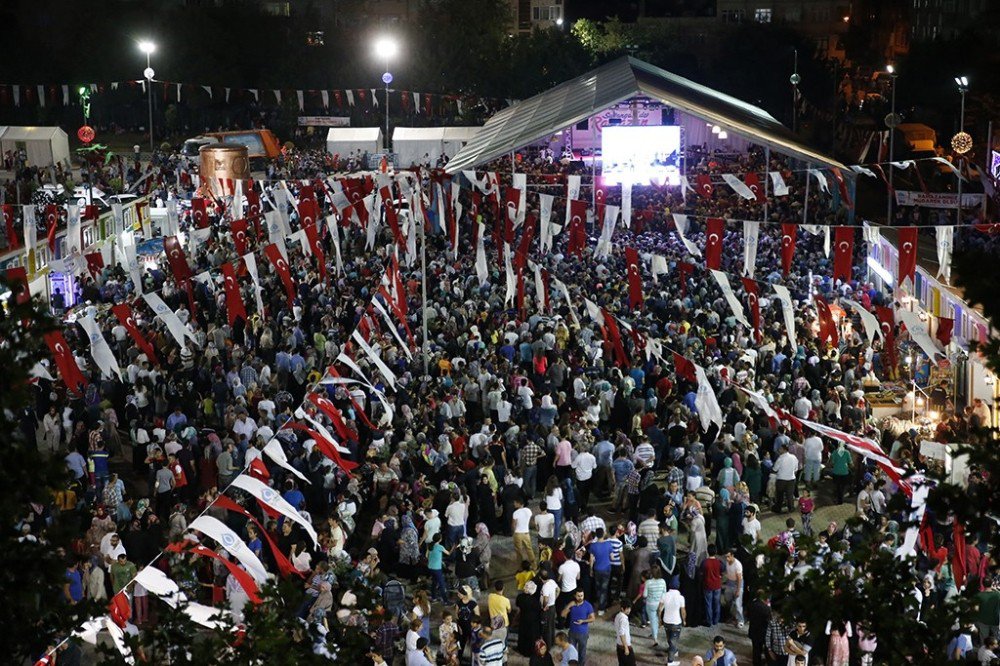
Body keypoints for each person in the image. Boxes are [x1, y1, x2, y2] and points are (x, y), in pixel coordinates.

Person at [561, 588, 595, 665]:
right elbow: (563, 614)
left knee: (582, 652)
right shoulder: (572, 604)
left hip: (583, 633)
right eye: (578, 596)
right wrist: (569, 606)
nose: (580, 597)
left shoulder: (588, 605)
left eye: (582, 596)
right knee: (571, 652)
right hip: (572, 632)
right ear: (575, 596)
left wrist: (583, 621)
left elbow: (593, 618)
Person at [659, 580, 686, 666]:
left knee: (669, 638)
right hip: (676, 622)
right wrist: (684, 620)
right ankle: (670, 662)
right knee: (673, 641)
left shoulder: (664, 595)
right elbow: (683, 611)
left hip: (666, 620)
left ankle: (675, 650)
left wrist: (660, 620)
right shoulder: (681, 597)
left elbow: (659, 609)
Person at [516, 580, 543, 656]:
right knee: (531, 637)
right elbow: (539, 610)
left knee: (523, 635)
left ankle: (522, 649)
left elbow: (518, 605)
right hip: (533, 622)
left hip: (523, 619)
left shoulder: (520, 597)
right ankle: (530, 652)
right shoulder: (535, 601)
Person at [722, 548, 744, 627]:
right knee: (728, 599)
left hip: (737, 584)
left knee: (738, 604)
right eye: (726, 557)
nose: (727, 559)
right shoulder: (727, 562)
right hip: (730, 583)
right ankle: (731, 616)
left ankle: (740, 620)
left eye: (728, 557)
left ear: (732, 556)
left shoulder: (737, 565)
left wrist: (738, 590)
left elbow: (739, 579)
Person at [702, 545, 723, 627]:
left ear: (708, 551)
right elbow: (723, 569)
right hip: (717, 585)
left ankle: (709, 621)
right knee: (717, 603)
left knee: (708, 604)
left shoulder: (705, 562)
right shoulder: (719, 562)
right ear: (716, 552)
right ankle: (716, 620)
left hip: (707, 585)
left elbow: (701, 571)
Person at [614, 599, 635, 666]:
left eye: (629, 608)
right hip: (625, 646)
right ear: (622, 609)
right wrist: (626, 647)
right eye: (627, 608)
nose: (629, 610)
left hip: (619, 645)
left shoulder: (618, 616)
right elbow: (621, 633)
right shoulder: (623, 619)